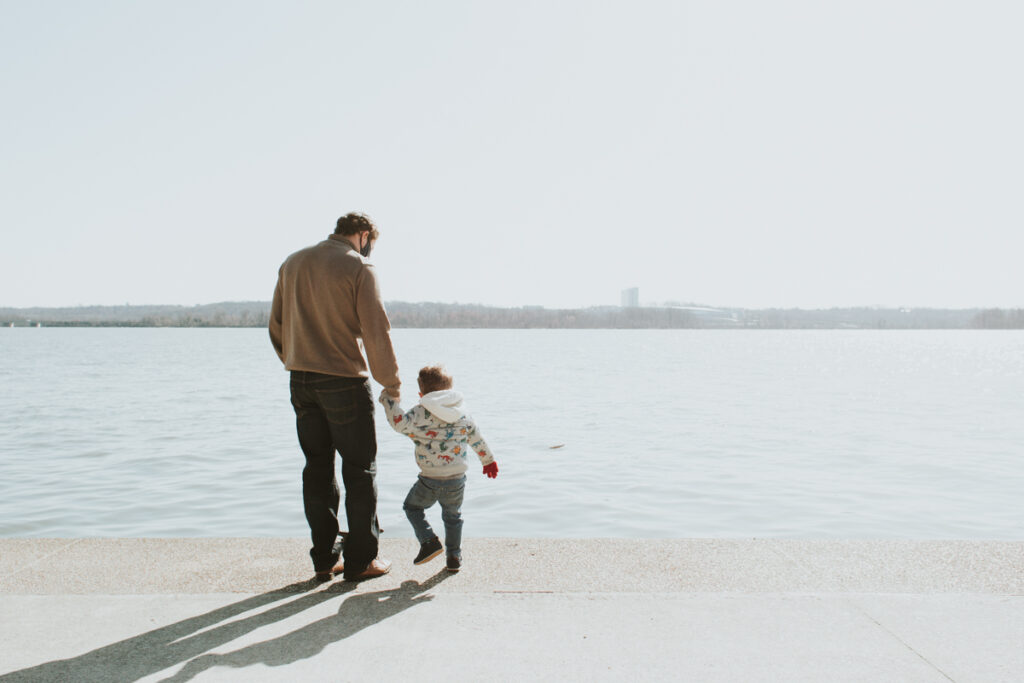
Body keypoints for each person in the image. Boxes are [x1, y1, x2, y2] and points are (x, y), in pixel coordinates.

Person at [269, 212, 400, 582]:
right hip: (344, 380)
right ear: (362, 235)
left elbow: (276, 324)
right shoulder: (359, 267)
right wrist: (391, 384)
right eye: (370, 240)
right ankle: (361, 561)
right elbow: (377, 331)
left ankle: (325, 559)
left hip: (301, 380)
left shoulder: (293, 262)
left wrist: (294, 359)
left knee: (317, 468)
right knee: (360, 470)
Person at [379, 364, 498, 572]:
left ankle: (429, 540)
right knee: (453, 516)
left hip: (430, 478)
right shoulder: (463, 412)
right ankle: (454, 557)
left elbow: (399, 423)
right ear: (450, 389)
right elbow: (477, 438)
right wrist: (488, 460)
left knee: (412, 507)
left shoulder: (420, 412)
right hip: (456, 478)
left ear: (421, 393)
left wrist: (388, 400)